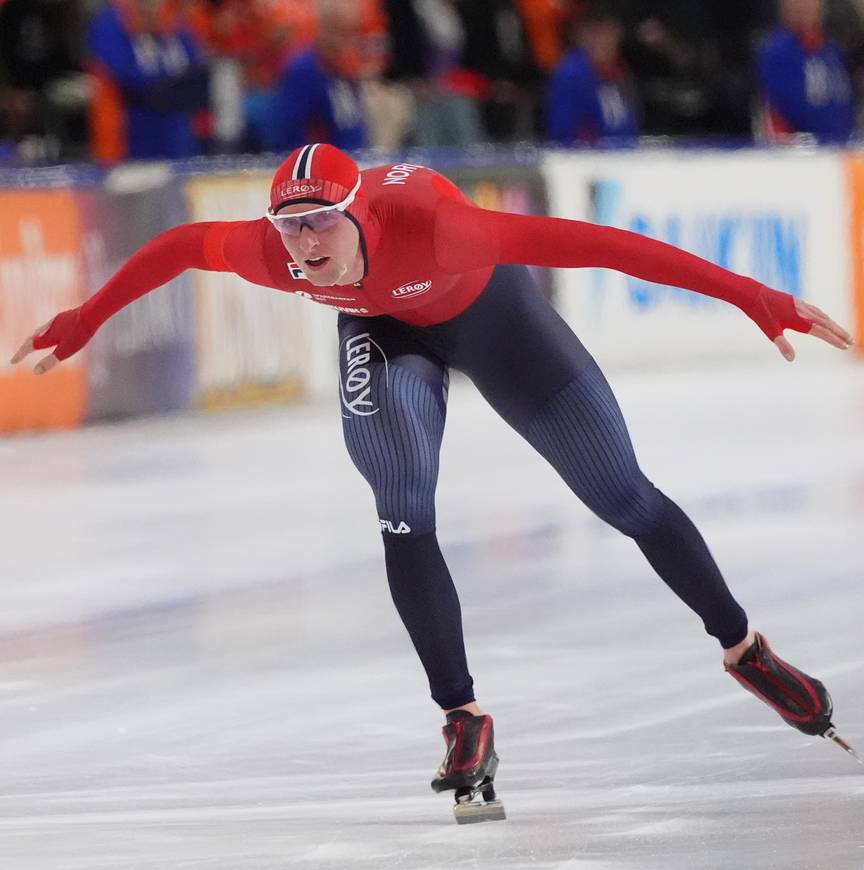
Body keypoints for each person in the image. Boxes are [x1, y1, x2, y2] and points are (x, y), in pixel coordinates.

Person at [11, 143, 855, 822]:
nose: (304, 249)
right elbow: (173, 249)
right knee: (403, 508)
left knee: (621, 496)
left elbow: (608, 246)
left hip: (494, 320)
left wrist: (752, 295)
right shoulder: (274, 252)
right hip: (386, 330)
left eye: (320, 229)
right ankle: (462, 717)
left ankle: (744, 647)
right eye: (290, 229)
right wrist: (84, 321)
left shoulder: (442, 227)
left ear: (359, 213)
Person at [757, 0, 854, 144]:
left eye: (809, 4)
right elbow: (784, 105)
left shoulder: (832, 50)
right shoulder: (776, 51)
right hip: (794, 149)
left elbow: (844, 101)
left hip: (837, 146)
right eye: (798, 4)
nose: (804, 8)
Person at [546, 6, 639, 145]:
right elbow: (564, 132)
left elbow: (628, 122)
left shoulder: (619, 69)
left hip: (626, 154)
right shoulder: (572, 73)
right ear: (581, 35)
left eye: (610, 32)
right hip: (588, 158)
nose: (605, 40)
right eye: (596, 32)